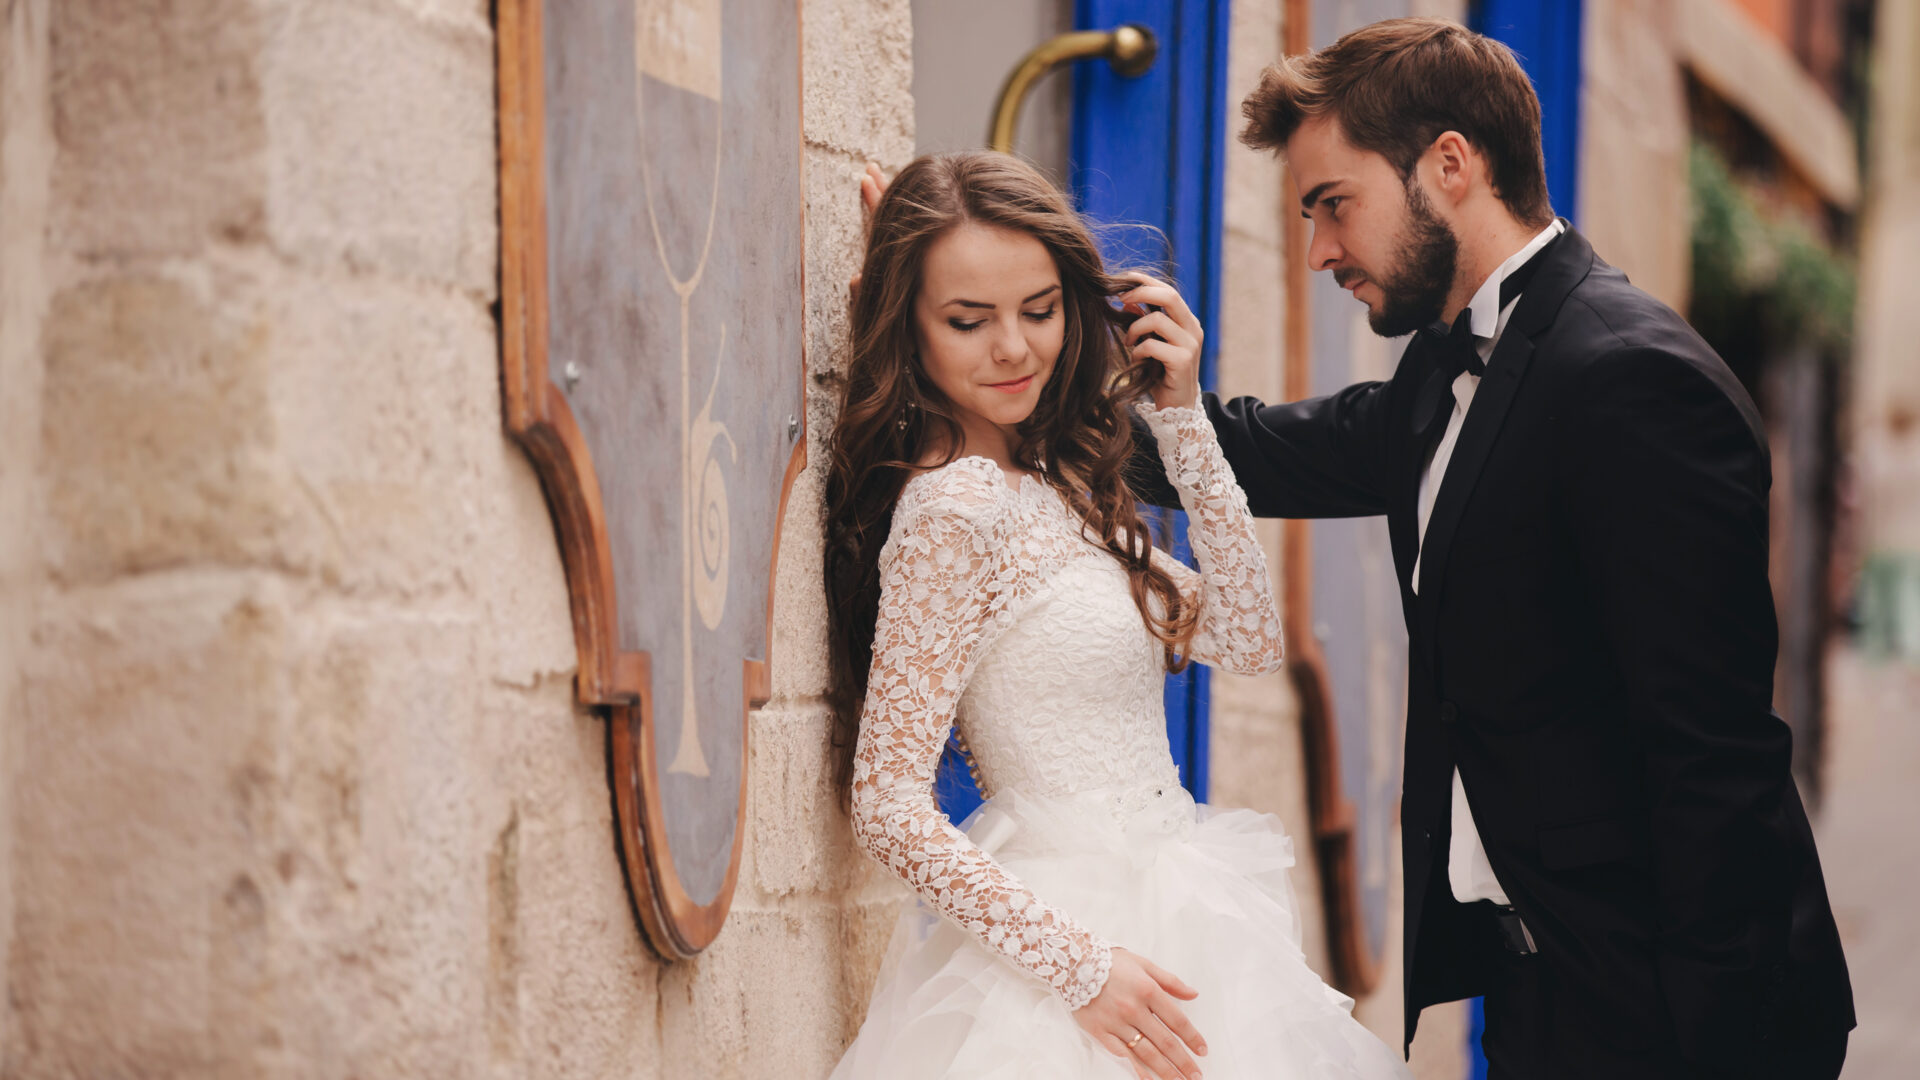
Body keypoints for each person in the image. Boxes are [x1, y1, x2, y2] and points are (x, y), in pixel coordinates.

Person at [1124, 17, 1854, 1080]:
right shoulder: (1444, 368)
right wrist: (1018, 372)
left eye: (1335, 204)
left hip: (1673, 1008)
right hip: (1535, 987)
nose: (1322, 249)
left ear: (1450, 166)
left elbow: (1715, 757)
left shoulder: (1635, 383)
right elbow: (1255, 455)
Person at [823, 151, 1412, 1080]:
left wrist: (1185, 422)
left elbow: (1247, 637)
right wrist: (1080, 968)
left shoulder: (1057, 484)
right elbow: (889, 805)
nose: (1013, 348)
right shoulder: (953, 511)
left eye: (1040, 309)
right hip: (1066, 961)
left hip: (1174, 908)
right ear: (912, 329)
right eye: (967, 320)